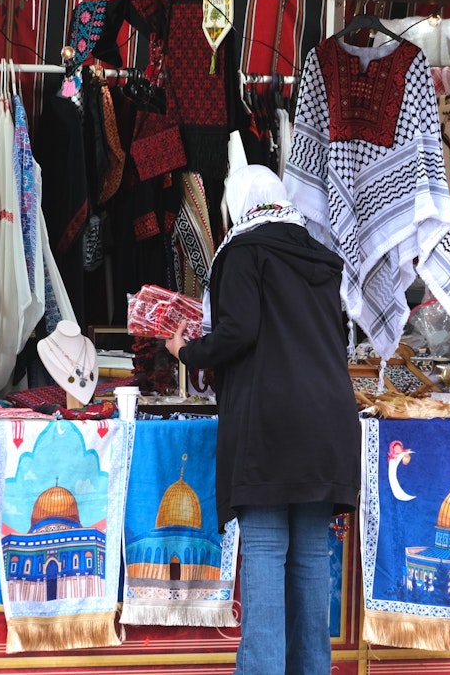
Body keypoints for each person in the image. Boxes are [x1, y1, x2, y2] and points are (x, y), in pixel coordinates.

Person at [166, 165, 361, 675]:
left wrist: (187, 350)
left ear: (239, 203)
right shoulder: (321, 257)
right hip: (326, 423)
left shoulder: (242, 250)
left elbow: (238, 332)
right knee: (311, 561)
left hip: (271, 425)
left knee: (267, 555)